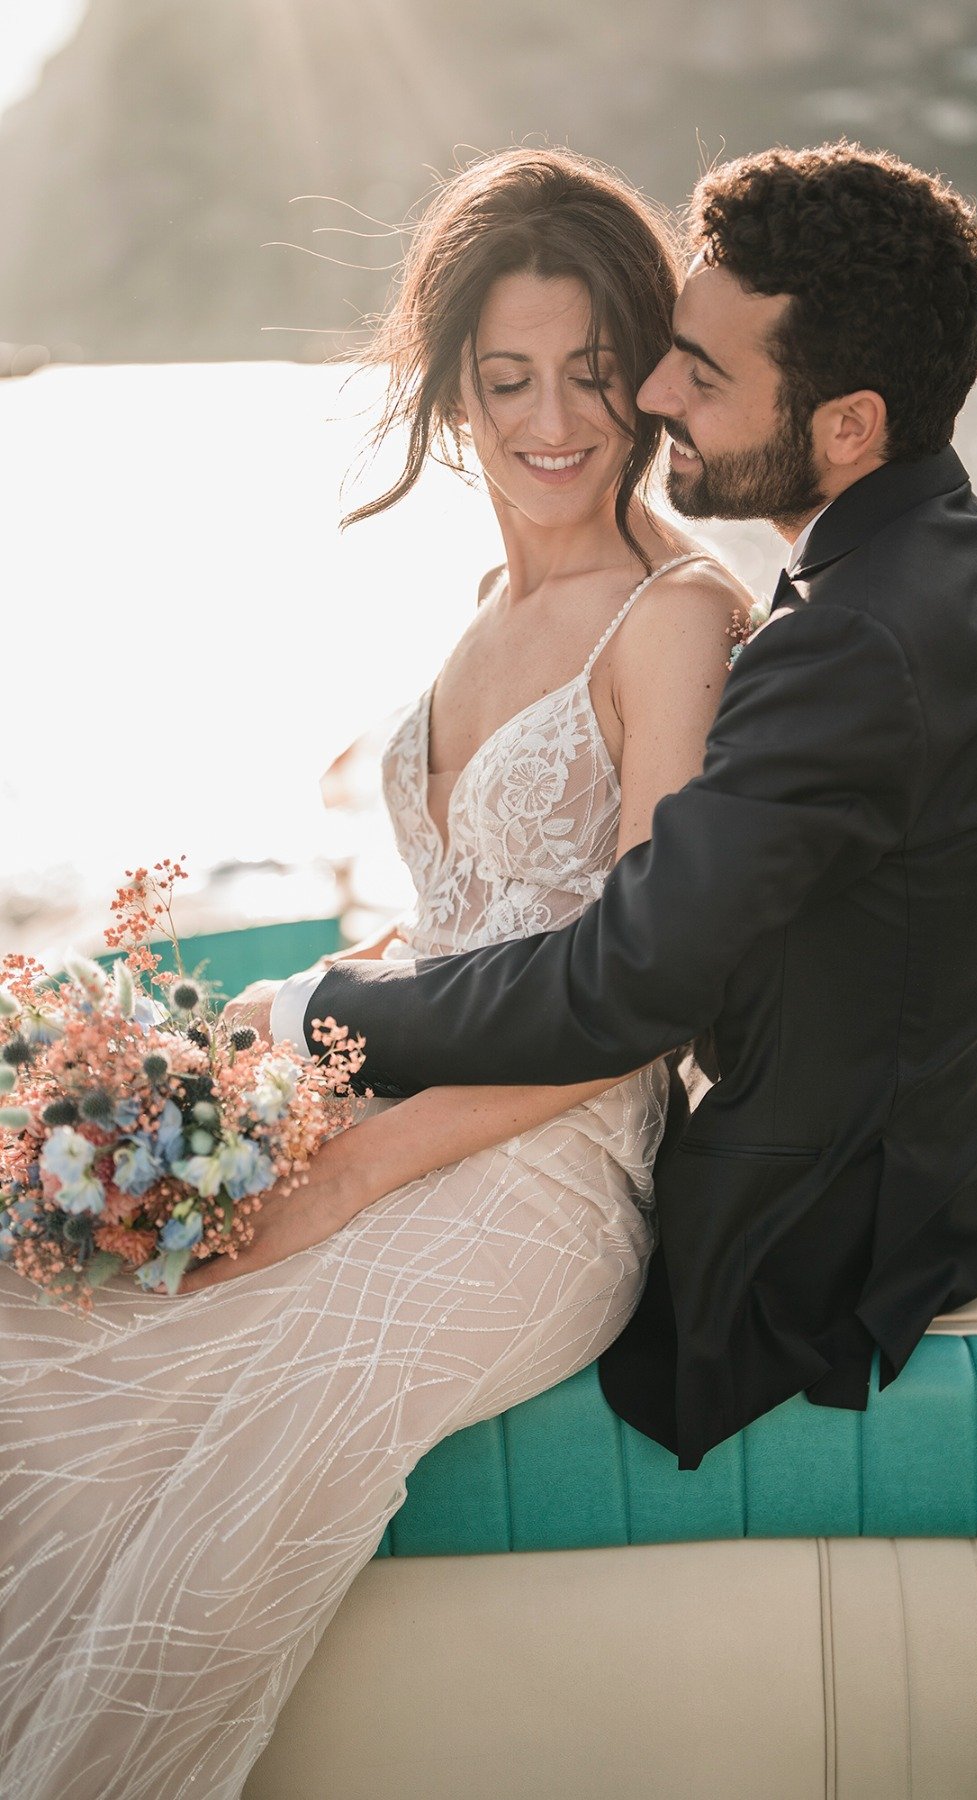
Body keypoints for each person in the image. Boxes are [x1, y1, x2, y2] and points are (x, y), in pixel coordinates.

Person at [0, 147, 750, 1798]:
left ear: (643, 382)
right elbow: (456, 926)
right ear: (450, 394)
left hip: (551, 1174)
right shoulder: (489, 603)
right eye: (506, 381)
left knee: (238, 1486)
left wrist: (346, 1179)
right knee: (34, 1318)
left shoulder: (675, 620)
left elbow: (643, 998)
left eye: (592, 375)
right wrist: (260, 1079)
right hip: (402, 1106)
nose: (552, 420)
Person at [264, 143, 977, 1475]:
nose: (654, 396)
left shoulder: (842, 647)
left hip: (828, 1230)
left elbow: (627, 991)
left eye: (697, 376)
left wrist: (317, 1019)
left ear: (848, 426)